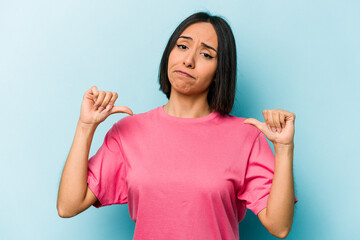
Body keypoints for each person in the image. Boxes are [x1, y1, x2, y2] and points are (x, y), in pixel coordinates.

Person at [57, 11, 298, 239]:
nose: (188, 60)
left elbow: (280, 226)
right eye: (182, 46)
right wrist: (85, 127)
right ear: (169, 53)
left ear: (219, 71)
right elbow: (68, 206)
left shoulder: (246, 135)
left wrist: (284, 149)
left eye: (206, 54)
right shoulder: (128, 132)